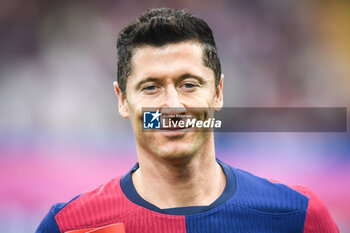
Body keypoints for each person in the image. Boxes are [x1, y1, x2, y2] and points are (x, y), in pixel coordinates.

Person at [36, 8, 339, 233]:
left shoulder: (298, 216)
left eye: (189, 84)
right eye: (151, 87)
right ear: (122, 100)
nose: (172, 106)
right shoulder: (68, 226)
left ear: (218, 93)